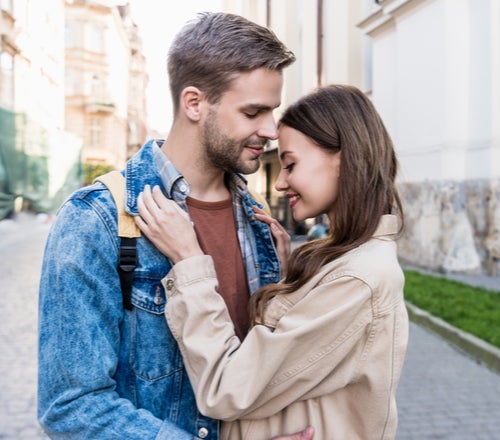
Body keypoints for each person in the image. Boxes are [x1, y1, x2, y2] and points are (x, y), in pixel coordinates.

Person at [38, 12, 311, 440]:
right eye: (254, 112)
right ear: (195, 103)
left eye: (272, 112)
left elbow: (254, 370)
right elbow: (72, 406)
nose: (271, 131)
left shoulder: (258, 220)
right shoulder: (98, 220)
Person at [135, 84, 409, 440]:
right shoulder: (346, 262)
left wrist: (189, 261)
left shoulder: (359, 278)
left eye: (290, 164)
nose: (280, 184)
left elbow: (226, 389)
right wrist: (289, 282)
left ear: (342, 158)